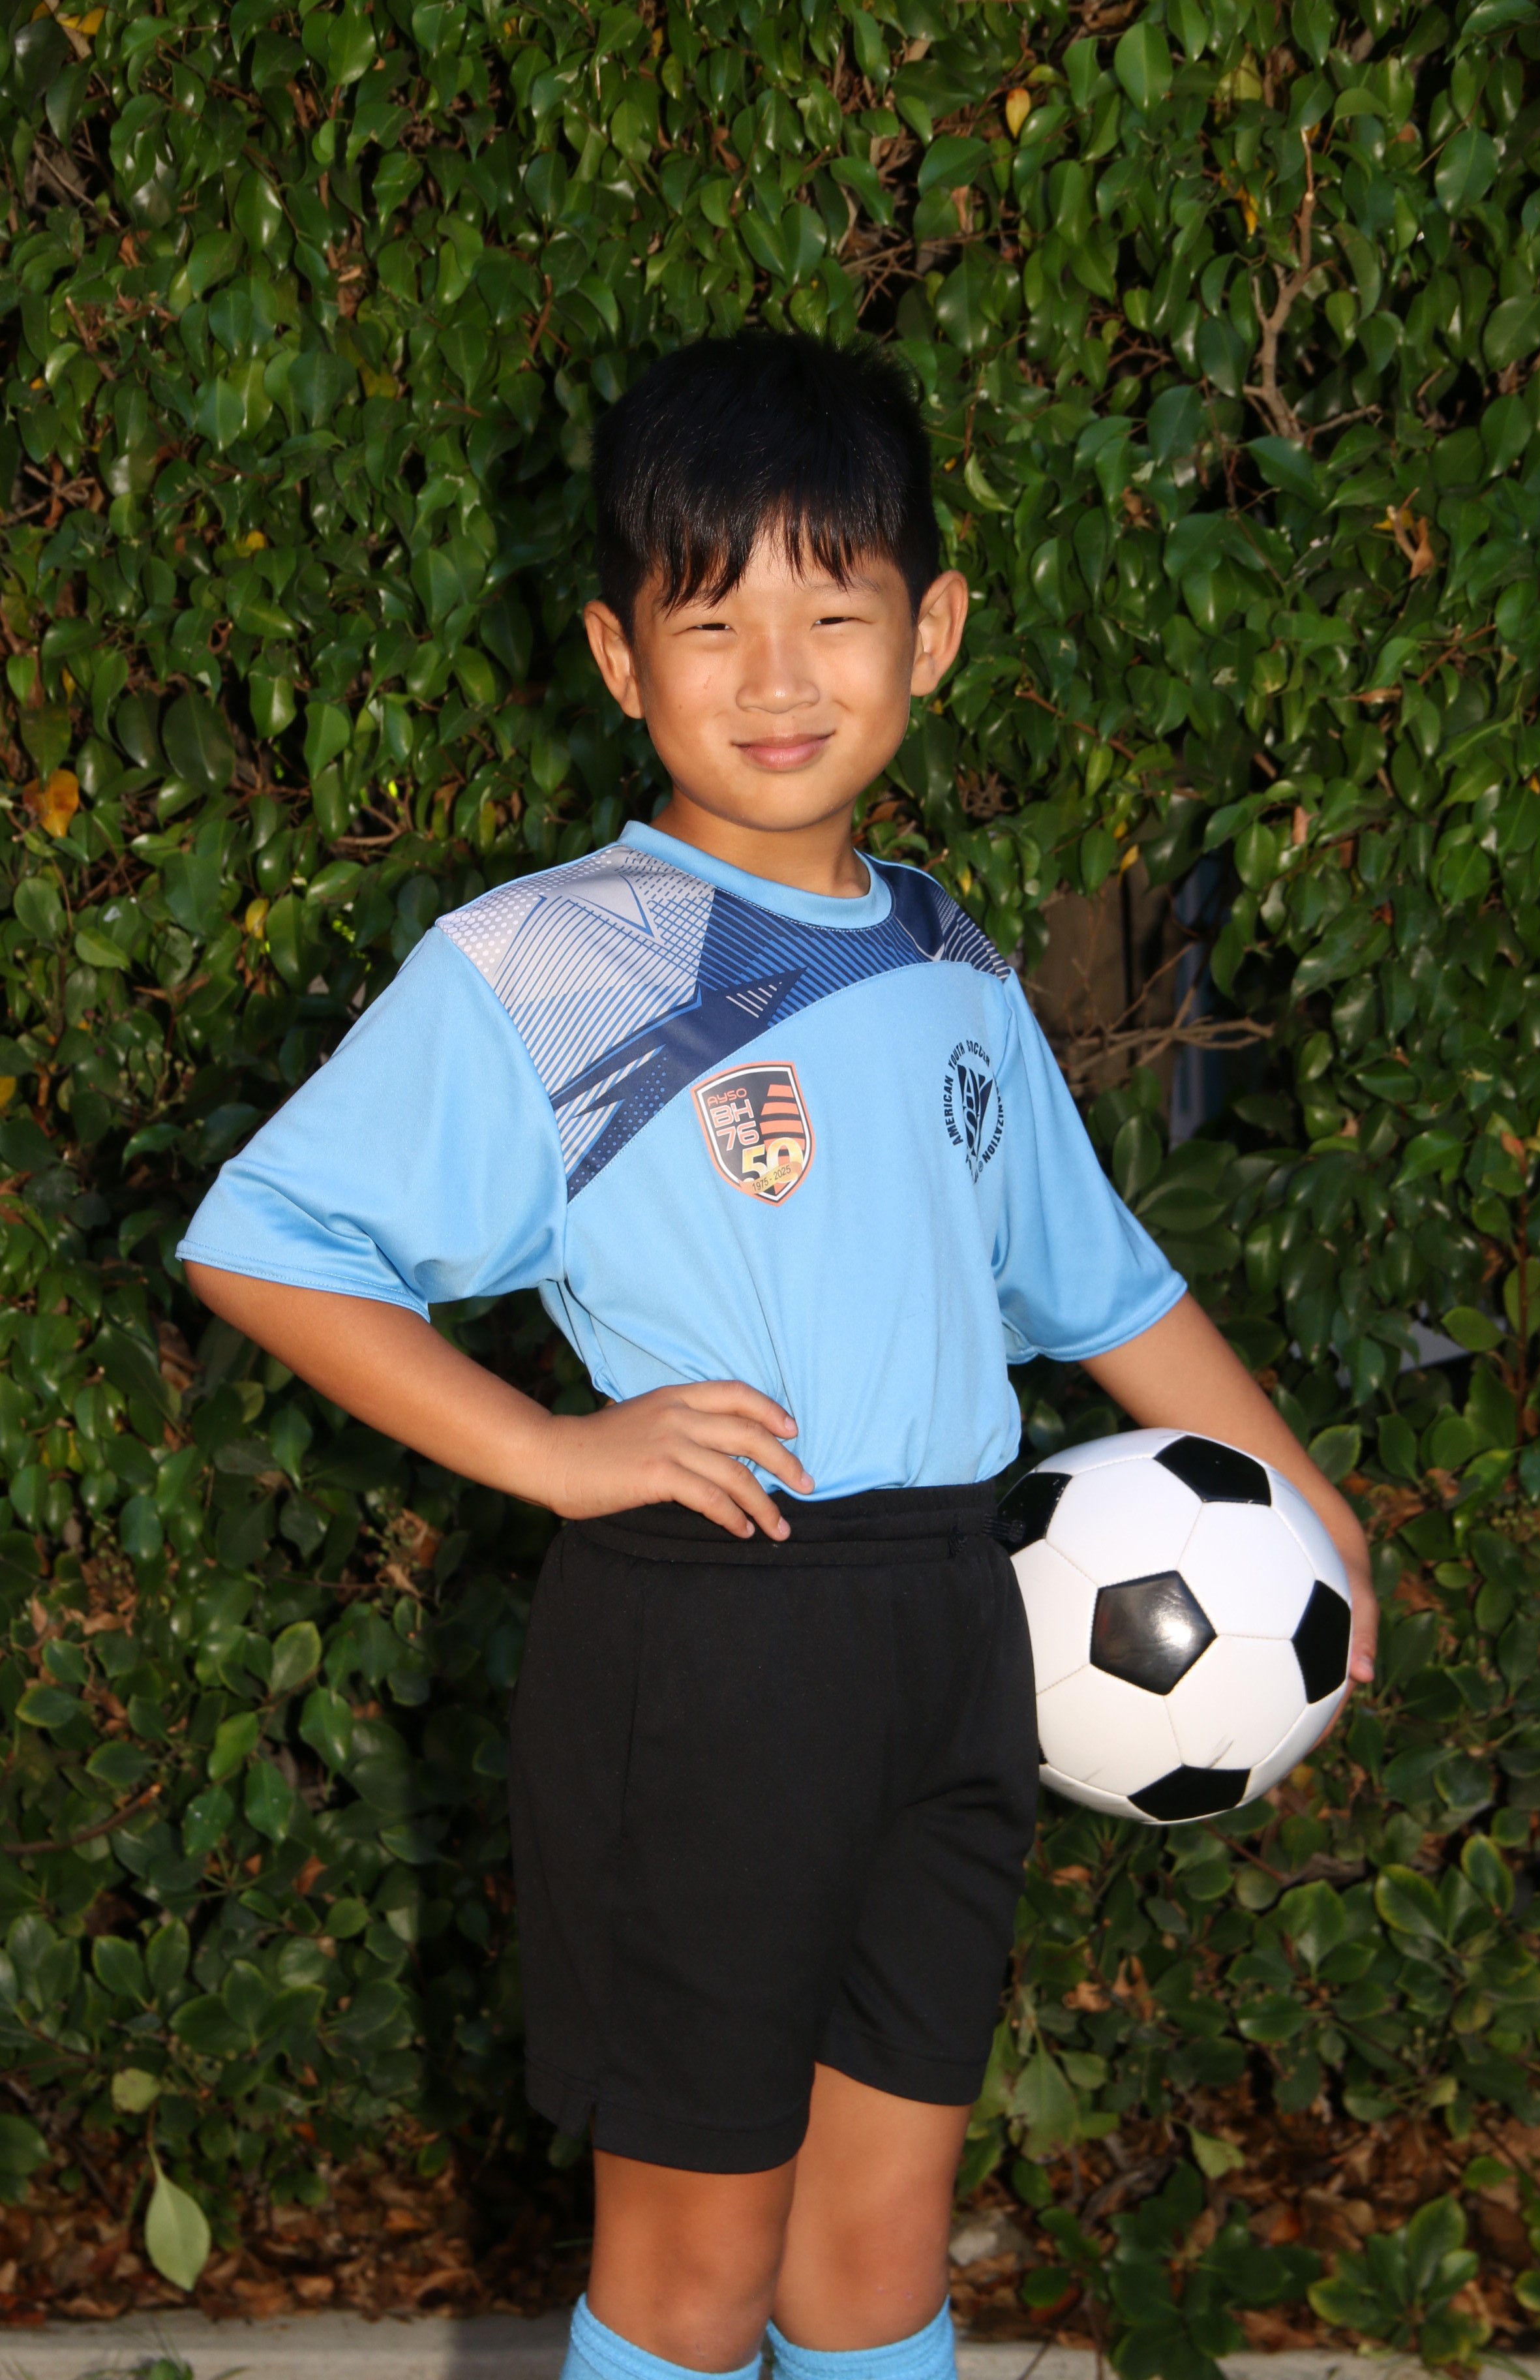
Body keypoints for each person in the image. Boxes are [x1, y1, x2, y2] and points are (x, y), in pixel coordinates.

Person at [180, 332, 1378, 2380]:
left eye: (835, 613)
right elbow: (266, 1247)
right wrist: (555, 1451)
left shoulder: (950, 960)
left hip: (954, 1629)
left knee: (879, 2248)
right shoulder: (553, 960)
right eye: (711, 622)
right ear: (617, 658)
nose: (778, 676)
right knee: (698, 2263)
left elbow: (1103, 1288)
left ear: (934, 631)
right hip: (707, 1643)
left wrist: (1320, 1514)